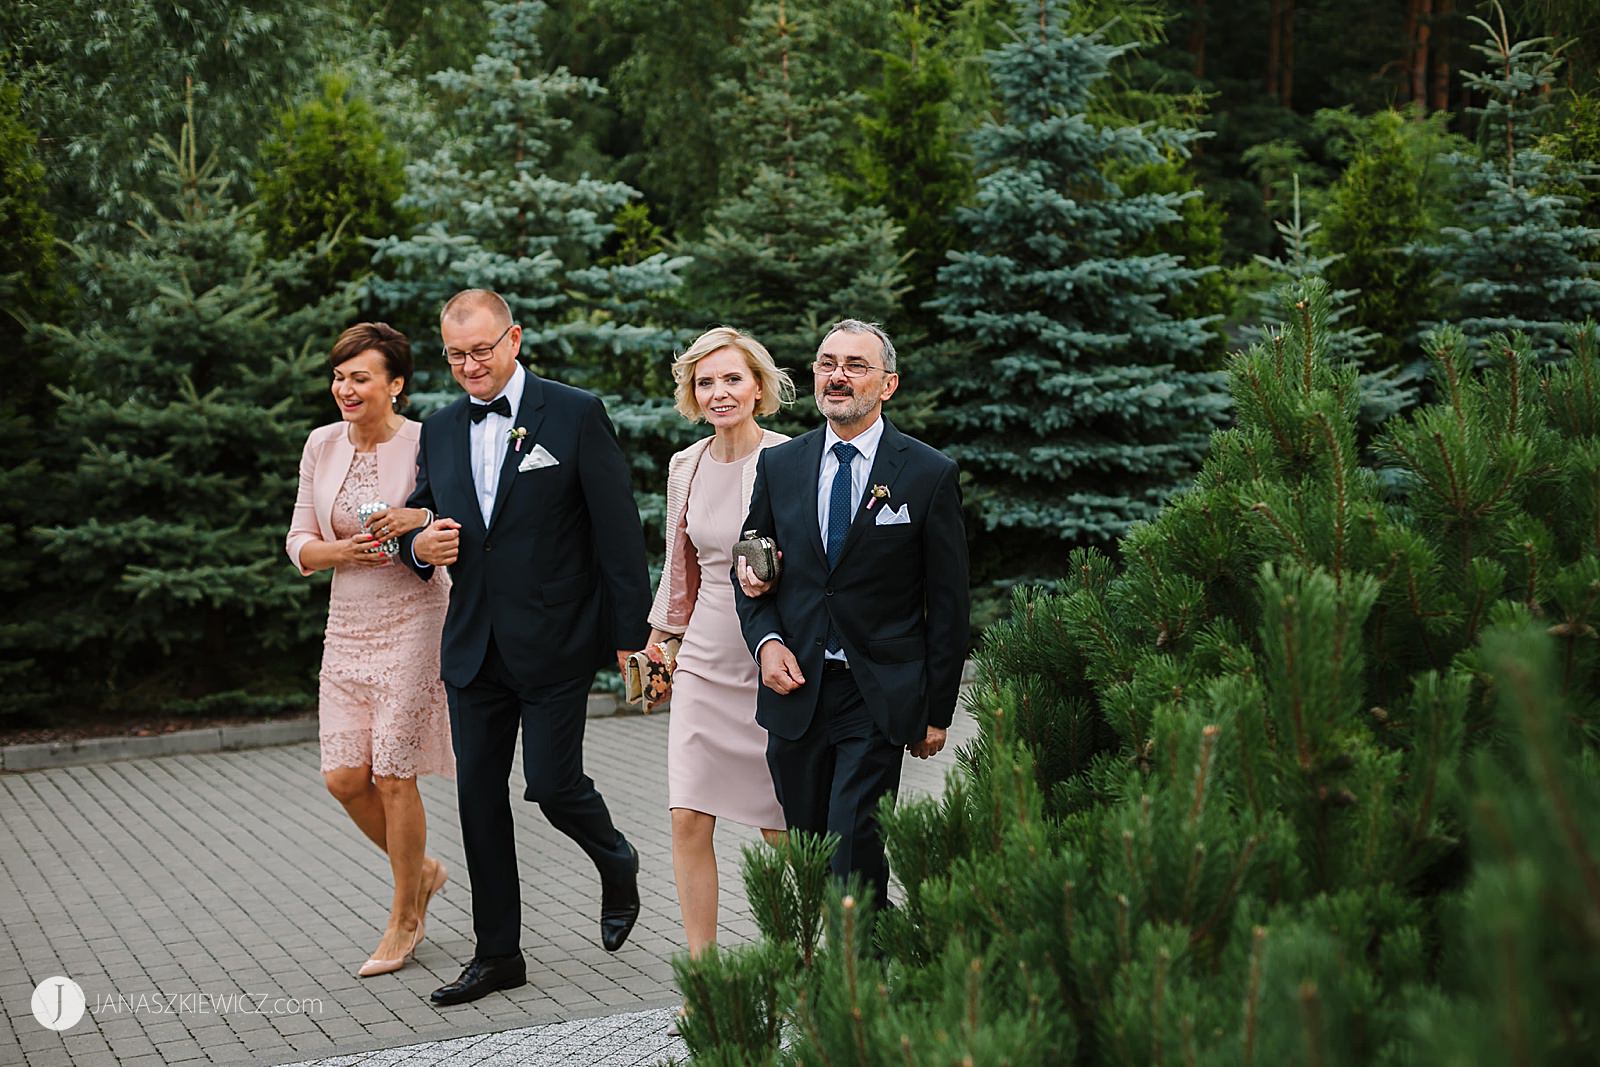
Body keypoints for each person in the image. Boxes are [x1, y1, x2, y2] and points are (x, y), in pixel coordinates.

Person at [398, 288, 652, 1007]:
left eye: (482, 349)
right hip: (474, 645)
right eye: (456, 355)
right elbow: (424, 511)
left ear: (515, 338)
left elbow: (619, 537)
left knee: (551, 783)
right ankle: (498, 954)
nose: (471, 365)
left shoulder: (573, 413)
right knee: (479, 800)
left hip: (556, 640)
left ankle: (617, 857)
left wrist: (630, 641)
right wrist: (419, 546)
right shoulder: (441, 427)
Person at [733, 319, 970, 908]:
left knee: (852, 840)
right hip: (797, 691)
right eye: (827, 362)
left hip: (876, 695)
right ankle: (864, 953)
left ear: (887, 385)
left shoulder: (927, 473)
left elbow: (947, 603)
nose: (837, 376)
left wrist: (936, 711)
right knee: (811, 850)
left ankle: (854, 982)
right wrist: (765, 645)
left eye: (855, 365)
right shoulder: (780, 465)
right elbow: (750, 573)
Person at [285, 321, 453, 978]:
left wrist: (416, 519)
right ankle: (425, 871)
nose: (345, 388)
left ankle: (405, 914)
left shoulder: (425, 441)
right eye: (339, 376)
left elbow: (451, 512)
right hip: (348, 619)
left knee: (391, 772)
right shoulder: (320, 444)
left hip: (415, 613)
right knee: (343, 777)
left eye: (360, 377)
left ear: (396, 384)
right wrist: (337, 552)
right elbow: (299, 537)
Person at [644, 327, 794, 961]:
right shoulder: (687, 464)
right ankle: (701, 971)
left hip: (771, 656)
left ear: (758, 386)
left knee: (778, 824)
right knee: (687, 815)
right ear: (693, 393)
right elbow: (680, 566)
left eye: (733, 378)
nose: (720, 392)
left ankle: (799, 953)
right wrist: (660, 640)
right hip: (703, 658)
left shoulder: (792, 458)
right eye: (706, 382)